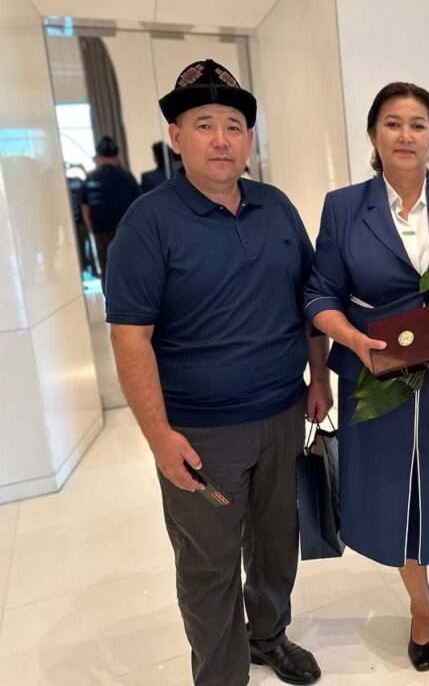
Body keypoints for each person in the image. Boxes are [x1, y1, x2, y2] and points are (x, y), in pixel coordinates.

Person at [104, 59, 331, 686]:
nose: (221, 139)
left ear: (249, 139)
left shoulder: (276, 207)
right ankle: (222, 675)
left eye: (233, 126)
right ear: (176, 137)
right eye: (204, 125)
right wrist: (159, 437)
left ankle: (269, 636)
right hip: (201, 433)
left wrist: (318, 379)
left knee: (277, 542)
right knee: (209, 565)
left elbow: (311, 301)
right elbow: (130, 338)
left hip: (282, 414)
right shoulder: (148, 223)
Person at [303, 82, 429, 672]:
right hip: (376, 375)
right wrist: (352, 340)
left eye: (418, 124)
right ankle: (418, 603)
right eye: (392, 123)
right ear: (373, 134)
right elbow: (319, 295)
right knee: (394, 496)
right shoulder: (343, 207)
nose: (405, 135)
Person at [82, 136, 140, 276]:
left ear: (98, 156)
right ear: (116, 156)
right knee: (128, 268)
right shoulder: (127, 177)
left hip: (101, 231)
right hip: (126, 229)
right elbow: (139, 204)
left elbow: (85, 208)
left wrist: (91, 229)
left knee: (107, 269)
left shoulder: (90, 178)